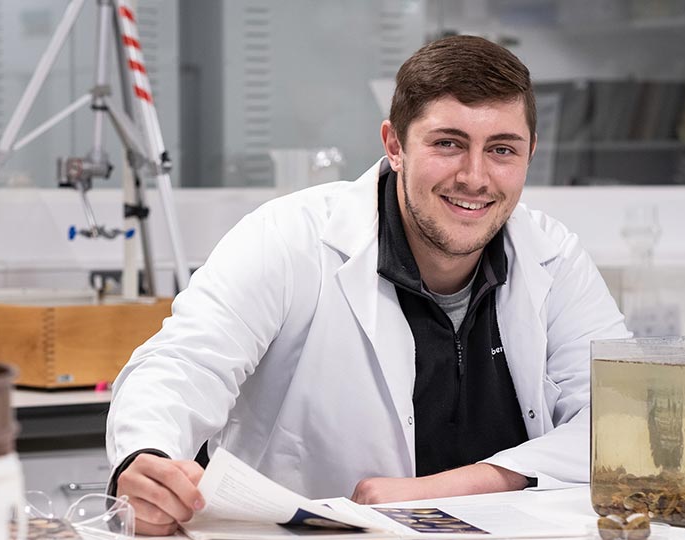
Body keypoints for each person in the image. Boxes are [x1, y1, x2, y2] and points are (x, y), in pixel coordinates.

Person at [106, 34, 629, 536]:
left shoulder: (553, 257)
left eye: (502, 150)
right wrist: (146, 457)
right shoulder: (290, 239)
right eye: (448, 143)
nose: (475, 176)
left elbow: (624, 419)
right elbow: (183, 363)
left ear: (530, 153)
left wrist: (462, 485)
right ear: (395, 145)